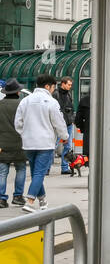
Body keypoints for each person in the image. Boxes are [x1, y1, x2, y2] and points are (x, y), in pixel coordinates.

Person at [13, 73, 68, 213]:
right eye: (53, 87)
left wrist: (24, 134)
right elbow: (59, 123)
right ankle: (30, 201)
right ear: (48, 86)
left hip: (28, 143)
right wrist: (64, 136)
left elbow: (18, 123)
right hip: (45, 143)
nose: (53, 90)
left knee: (36, 172)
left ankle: (42, 200)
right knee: (39, 174)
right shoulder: (51, 102)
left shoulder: (25, 101)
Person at [0, 80, 27, 208]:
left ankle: (1, 198)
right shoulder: (23, 105)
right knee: (21, 169)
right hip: (20, 143)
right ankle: (18, 196)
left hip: (2, 144)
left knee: (2, 172)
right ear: (17, 92)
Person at [54, 77, 76, 175]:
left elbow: (70, 108)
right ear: (63, 84)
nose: (70, 87)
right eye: (69, 84)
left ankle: (64, 168)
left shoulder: (68, 94)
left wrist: (72, 119)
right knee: (53, 145)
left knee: (68, 146)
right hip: (58, 123)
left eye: (71, 85)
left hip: (68, 123)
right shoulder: (56, 94)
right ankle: (46, 168)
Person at [74, 92, 91, 163]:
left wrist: (82, 128)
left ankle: (90, 169)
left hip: (88, 130)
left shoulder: (84, 100)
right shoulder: (108, 100)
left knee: (88, 152)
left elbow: (78, 118)